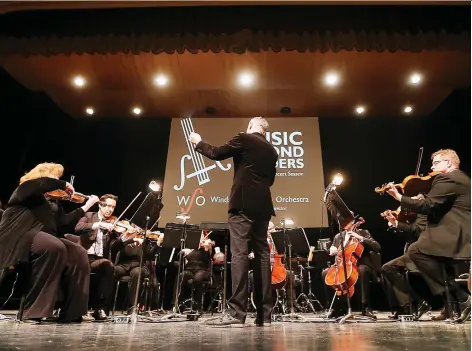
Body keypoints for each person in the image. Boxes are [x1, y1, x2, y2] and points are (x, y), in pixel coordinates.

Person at [189, 116, 278, 327]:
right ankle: (264, 315)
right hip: (264, 206)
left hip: (243, 204)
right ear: (264, 131)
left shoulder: (244, 138)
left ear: (250, 126)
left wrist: (198, 142)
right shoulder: (272, 151)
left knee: (239, 254)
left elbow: (216, 153)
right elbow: (271, 180)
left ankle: (237, 313)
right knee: (263, 257)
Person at [0, 162, 98, 323]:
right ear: (42, 176)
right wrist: (64, 184)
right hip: (21, 235)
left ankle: (73, 311)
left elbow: (65, 223)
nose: (57, 182)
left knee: (78, 253)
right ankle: (31, 312)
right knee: (54, 247)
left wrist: (87, 205)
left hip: (47, 238)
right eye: (54, 178)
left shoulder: (53, 204)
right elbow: (42, 184)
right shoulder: (26, 189)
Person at [386, 149, 471, 323]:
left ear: (448, 163)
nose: (432, 168)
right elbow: (437, 204)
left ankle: (463, 298)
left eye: (435, 163)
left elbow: (430, 205)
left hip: (453, 233)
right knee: (439, 263)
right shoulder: (462, 178)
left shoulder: (447, 178)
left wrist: (400, 197)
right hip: (459, 233)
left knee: (416, 250)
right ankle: (455, 306)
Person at [322, 220, 381, 319]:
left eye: (346, 221)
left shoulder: (363, 232)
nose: (343, 223)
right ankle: (337, 308)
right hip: (342, 265)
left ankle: (366, 307)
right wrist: (332, 250)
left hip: (361, 264)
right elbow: (335, 251)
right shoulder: (338, 236)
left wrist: (360, 238)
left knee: (362, 271)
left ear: (353, 221)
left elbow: (377, 247)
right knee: (325, 273)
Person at [74, 194, 119, 320]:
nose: (110, 210)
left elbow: (115, 246)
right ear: (100, 205)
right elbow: (78, 228)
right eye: (108, 206)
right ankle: (80, 307)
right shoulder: (89, 216)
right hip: (84, 256)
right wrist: (97, 225)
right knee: (105, 265)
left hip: (99, 259)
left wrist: (127, 238)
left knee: (108, 266)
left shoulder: (112, 224)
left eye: (113, 207)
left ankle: (101, 308)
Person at [381, 211, 433, 319]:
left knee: (388, 268)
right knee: (386, 271)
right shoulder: (408, 219)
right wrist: (394, 223)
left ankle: (416, 303)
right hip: (411, 253)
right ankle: (401, 308)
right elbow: (402, 236)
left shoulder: (422, 214)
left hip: (421, 253)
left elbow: (416, 231)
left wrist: (397, 221)